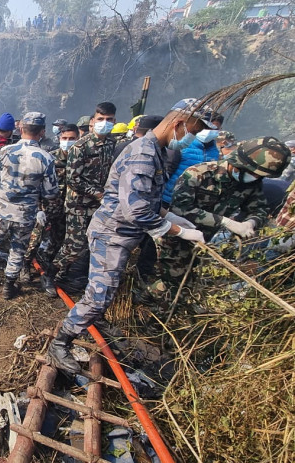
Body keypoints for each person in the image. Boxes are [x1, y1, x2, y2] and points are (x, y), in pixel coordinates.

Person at [48, 98, 214, 374]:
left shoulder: (156, 151)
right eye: (193, 132)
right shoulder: (143, 155)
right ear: (179, 124)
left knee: (101, 290)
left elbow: (149, 202)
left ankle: (92, 318)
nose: (192, 139)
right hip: (112, 234)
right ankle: (61, 342)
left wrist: (174, 218)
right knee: (100, 294)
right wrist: (179, 231)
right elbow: (136, 210)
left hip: (122, 234)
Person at [149, 137, 291, 301]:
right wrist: (225, 222)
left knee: (188, 288)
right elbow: (180, 209)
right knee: (168, 286)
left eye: (259, 176)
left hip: (205, 244)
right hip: (175, 239)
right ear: (240, 164)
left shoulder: (252, 184)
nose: (255, 178)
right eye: (253, 173)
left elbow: (258, 209)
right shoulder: (199, 174)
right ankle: (150, 316)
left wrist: (250, 222)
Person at [0, 112, 59, 299]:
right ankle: (8, 286)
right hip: (25, 213)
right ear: (42, 132)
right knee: (17, 248)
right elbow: (51, 193)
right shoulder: (46, 158)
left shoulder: (4, 151)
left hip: (2, 209)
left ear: (20, 129)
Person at [47, 102, 118, 296]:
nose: (105, 123)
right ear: (93, 122)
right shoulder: (81, 147)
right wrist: (99, 193)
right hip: (77, 204)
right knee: (74, 245)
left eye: (109, 119)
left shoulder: (112, 145)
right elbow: (73, 180)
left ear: (114, 120)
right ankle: (50, 274)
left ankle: (71, 277)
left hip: (98, 205)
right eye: (101, 119)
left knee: (92, 244)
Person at [21, 123, 79, 285]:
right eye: (65, 138)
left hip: (69, 210)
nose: (68, 141)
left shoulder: (81, 159)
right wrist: (39, 208)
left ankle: (50, 267)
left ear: (78, 139)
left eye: (72, 138)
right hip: (47, 208)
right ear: (60, 138)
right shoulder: (50, 158)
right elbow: (36, 184)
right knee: (34, 239)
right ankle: (25, 265)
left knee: (58, 240)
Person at [162, 113, 224, 205]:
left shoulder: (215, 152)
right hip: (167, 199)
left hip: (189, 203)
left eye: (214, 128)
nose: (209, 131)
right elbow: (167, 170)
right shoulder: (182, 144)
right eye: (206, 127)